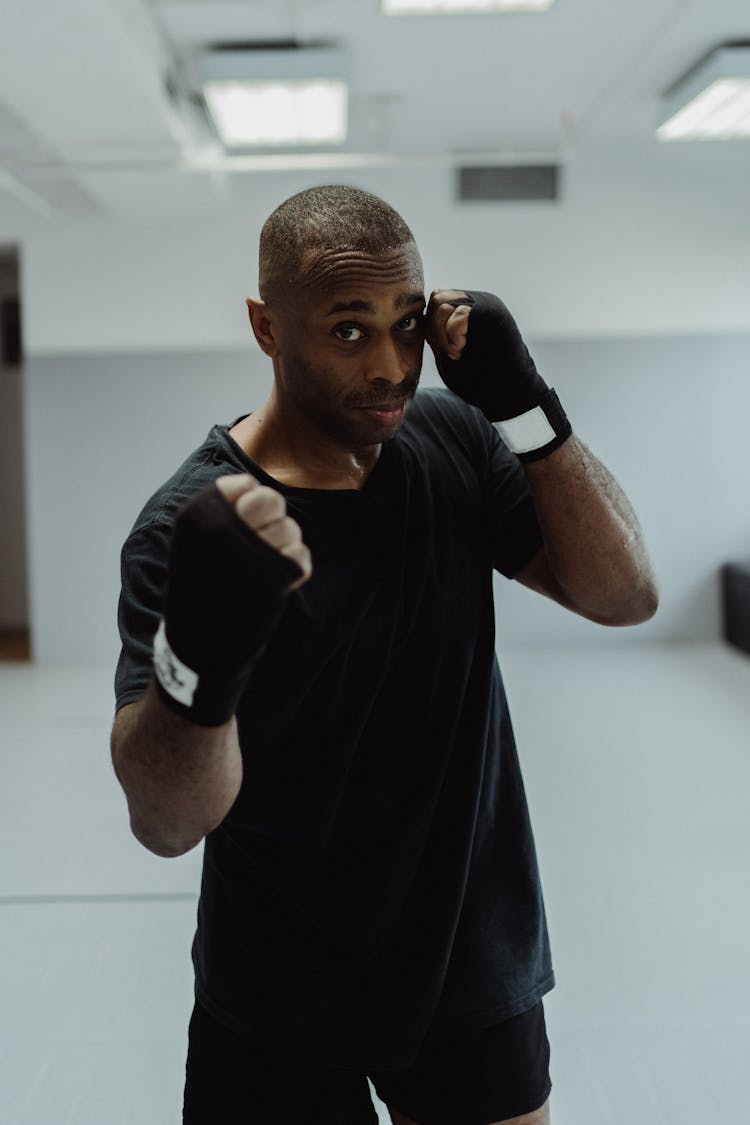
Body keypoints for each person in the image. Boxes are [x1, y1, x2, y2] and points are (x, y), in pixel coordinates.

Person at [110, 184, 658, 1125]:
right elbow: (167, 822)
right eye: (349, 329)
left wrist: (527, 409)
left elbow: (623, 593)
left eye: (408, 322)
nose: (393, 365)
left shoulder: (451, 438)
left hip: (471, 958)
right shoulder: (189, 525)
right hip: (279, 989)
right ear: (266, 327)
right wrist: (201, 662)